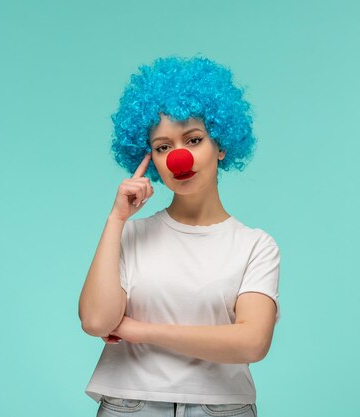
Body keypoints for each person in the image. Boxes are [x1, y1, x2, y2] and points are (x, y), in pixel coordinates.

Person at [78, 55, 281, 417]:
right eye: (162, 147)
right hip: (129, 405)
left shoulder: (255, 245)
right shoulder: (131, 235)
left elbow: (252, 342)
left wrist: (140, 331)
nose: (178, 159)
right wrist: (116, 218)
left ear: (220, 146)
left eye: (193, 139)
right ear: (149, 160)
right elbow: (95, 321)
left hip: (221, 408)